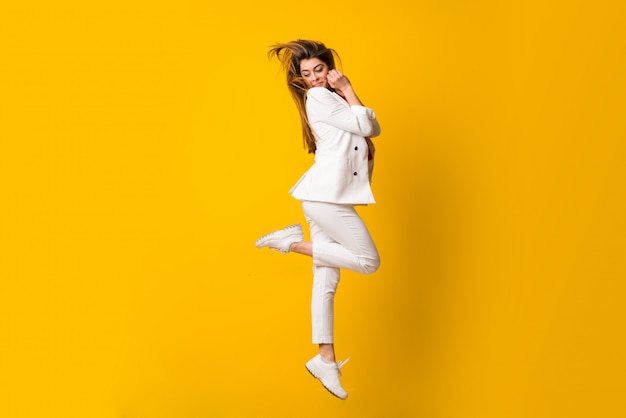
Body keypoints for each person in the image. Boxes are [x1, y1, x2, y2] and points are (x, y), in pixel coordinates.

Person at [255, 40, 381, 400]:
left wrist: (345, 93)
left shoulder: (330, 98)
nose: (313, 79)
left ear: (328, 66)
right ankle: (290, 243)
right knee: (368, 262)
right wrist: (346, 87)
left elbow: (372, 124)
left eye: (318, 71)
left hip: (323, 197)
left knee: (325, 279)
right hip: (325, 199)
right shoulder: (324, 97)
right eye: (306, 75)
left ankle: (325, 358)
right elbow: (369, 127)